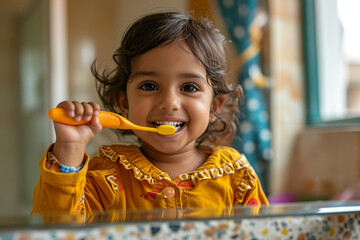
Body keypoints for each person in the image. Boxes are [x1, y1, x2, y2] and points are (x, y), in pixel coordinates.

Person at [32, 11, 268, 221]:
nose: (169, 103)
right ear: (124, 103)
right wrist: (70, 149)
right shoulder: (105, 175)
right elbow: (57, 230)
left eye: (189, 87)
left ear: (214, 106)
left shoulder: (237, 176)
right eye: (149, 86)